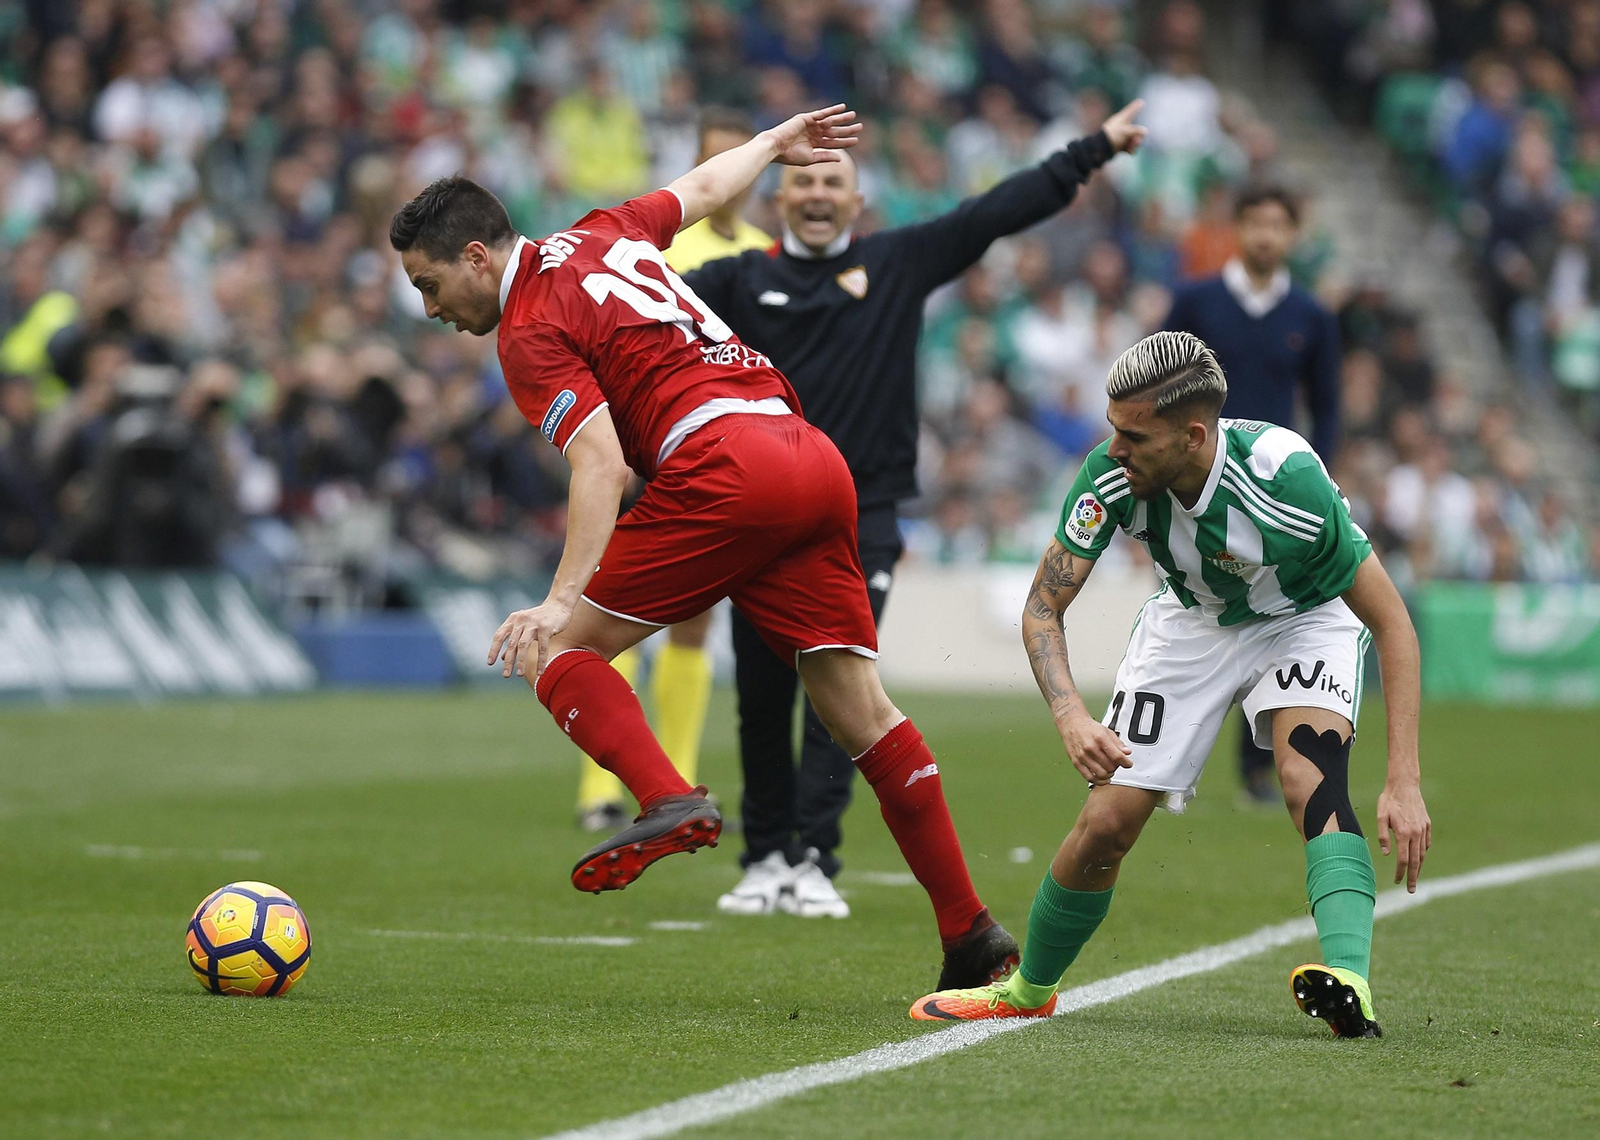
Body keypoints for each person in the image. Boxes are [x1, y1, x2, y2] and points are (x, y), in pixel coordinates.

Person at [388, 104, 1020, 989]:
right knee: (861, 716)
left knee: (556, 652)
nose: (431, 309)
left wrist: (561, 598)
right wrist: (771, 142)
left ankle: (668, 797)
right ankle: (971, 934)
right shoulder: (602, 232)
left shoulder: (528, 329)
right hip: (809, 455)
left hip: (723, 463)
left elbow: (601, 465)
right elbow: (702, 189)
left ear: (478, 258)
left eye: (429, 285)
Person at [683, 100, 1148, 920]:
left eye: (835, 181)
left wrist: (1093, 150)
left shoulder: (896, 263)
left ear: (858, 201)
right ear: (777, 197)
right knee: (760, 692)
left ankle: (816, 859)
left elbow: (993, 213)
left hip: (863, 518)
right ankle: (762, 857)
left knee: (841, 696)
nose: (819, 194)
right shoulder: (736, 282)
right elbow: (640, 304)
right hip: (757, 516)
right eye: (805, 181)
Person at [909, 332, 1431, 1038]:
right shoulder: (1109, 476)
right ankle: (1028, 991)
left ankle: (1351, 985)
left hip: (1304, 618)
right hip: (1193, 622)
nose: (1114, 449)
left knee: (1307, 776)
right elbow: (1042, 608)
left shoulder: (1288, 481)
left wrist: (1403, 778)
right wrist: (1070, 717)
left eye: (1133, 435)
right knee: (1107, 822)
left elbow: (1393, 623)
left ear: (1192, 436)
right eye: (1112, 429)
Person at [573, 107, 775, 834]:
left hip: (718, 452)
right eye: (717, 161)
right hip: (644, 448)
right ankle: (601, 787)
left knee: (692, 623)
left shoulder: (765, 250)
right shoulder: (649, 251)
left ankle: (677, 771)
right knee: (611, 614)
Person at [1163, 184, 1343, 804]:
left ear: (1294, 233)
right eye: (1255, 222)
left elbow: (1328, 407)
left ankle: (1257, 765)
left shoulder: (1312, 317)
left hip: (1277, 492)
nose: (1266, 235)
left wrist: (1323, 483)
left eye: (1278, 223)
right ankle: (1170, 753)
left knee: (1270, 615)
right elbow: (1161, 380)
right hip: (1196, 485)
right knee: (1195, 610)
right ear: (1236, 228)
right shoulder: (1196, 301)